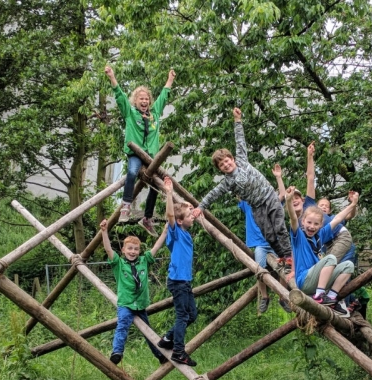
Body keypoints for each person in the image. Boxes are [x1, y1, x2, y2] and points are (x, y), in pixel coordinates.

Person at [193, 108, 293, 271]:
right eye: (222, 165)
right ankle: (282, 256)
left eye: (227, 161)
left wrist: (237, 121)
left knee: (279, 227)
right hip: (257, 207)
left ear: (232, 158)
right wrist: (200, 207)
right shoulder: (227, 183)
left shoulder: (242, 160)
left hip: (270, 197)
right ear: (220, 169)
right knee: (268, 235)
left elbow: (240, 141)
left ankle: (289, 256)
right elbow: (213, 194)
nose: (226, 165)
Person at [104, 65, 175, 236]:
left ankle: (147, 218)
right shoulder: (130, 113)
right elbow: (120, 96)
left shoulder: (154, 114)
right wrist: (112, 77)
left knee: (157, 183)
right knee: (132, 172)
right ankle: (126, 205)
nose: (144, 102)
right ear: (135, 101)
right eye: (140, 99)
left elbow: (163, 97)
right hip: (136, 154)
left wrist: (170, 80)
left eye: (146, 99)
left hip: (151, 156)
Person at [284, 183, 359, 316]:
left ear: (320, 225)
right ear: (303, 222)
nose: (312, 226)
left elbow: (337, 218)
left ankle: (331, 298)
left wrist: (352, 205)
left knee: (348, 266)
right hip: (304, 280)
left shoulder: (320, 235)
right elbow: (293, 218)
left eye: (316, 224)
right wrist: (289, 200)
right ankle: (319, 295)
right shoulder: (298, 236)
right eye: (309, 223)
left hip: (316, 280)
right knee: (330, 258)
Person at [273, 142, 356, 263]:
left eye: (297, 197)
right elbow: (299, 248)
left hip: (340, 237)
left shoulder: (310, 204)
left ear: (303, 200)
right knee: (333, 274)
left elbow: (310, 178)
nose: (295, 200)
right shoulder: (299, 226)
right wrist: (279, 178)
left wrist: (310, 156)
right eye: (292, 198)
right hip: (327, 246)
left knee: (328, 268)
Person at [99, 221, 169, 365]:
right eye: (130, 248)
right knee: (123, 325)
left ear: (139, 251)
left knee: (148, 332)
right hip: (126, 303)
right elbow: (108, 250)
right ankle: (117, 352)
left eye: (136, 249)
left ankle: (160, 355)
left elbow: (156, 246)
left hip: (141, 304)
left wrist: (165, 232)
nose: (133, 251)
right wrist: (104, 232)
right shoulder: (119, 263)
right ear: (123, 250)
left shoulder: (144, 261)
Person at [155, 177, 199, 366]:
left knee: (192, 315)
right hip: (178, 281)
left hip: (185, 281)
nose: (192, 217)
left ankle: (167, 339)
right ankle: (178, 352)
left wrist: (187, 206)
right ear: (180, 221)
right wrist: (169, 192)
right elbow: (171, 216)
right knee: (182, 316)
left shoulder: (186, 233)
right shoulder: (176, 232)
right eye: (189, 216)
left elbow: (184, 213)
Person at [238, 200, 291, 314]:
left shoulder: (272, 202)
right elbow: (239, 192)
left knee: (285, 266)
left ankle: (283, 297)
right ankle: (264, 297)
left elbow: (282, 195)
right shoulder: (249, 204)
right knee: (258, 268)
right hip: (260, 246)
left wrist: (279, 180)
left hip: (275, 243)